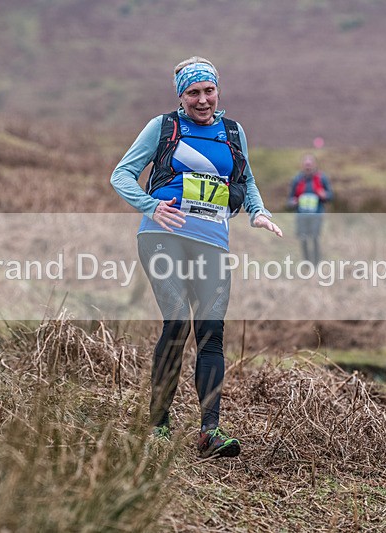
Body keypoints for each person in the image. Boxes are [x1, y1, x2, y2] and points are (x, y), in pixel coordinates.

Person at [110, 56, 282, 458]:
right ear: (181, 95)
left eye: (209, 91)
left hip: (213, 242)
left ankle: (209, 432)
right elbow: (122, 174)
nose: (202, 100)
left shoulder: (234, 132)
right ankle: (159, 427)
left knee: (211, 334)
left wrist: (258, 212)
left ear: (217, 90)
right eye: (193, 93)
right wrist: (150, 206)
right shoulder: (163, 127)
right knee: (176, 324)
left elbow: (246, 180)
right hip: (162, 237)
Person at [288, 154, 333, 264]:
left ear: (314, 165)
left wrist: (324, 195)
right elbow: (289, 199)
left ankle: (316, 264)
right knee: (303, 240)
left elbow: (330, 196)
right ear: (302, 166)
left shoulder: (322, 178)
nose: (308, 167)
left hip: (316, 215)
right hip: (301, 216)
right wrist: (293, 202)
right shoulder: (297, 180)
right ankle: (307, 263)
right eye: (306, 165)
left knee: (315, 239)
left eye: (310, 165)